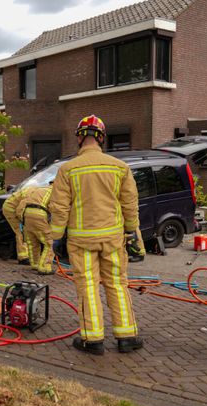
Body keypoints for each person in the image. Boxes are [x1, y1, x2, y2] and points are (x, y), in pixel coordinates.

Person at [48, 115, 142, 355]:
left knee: (88, 286)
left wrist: (56, 237)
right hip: (113, 239)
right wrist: (132, 231)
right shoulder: (120, 167)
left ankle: (93, 339)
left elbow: (59, 207)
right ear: (101, 138)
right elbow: (130, 204)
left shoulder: (68, 169)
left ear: (80, 138)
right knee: (118, 285)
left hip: (82, 241)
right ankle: (127, 336)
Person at [17, 186, 54, 274]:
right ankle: (44, 268)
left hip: (27, 214)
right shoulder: (56, 192)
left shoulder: (39, 189)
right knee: (49, 243)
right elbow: (55, 208)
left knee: (32, 242)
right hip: (39, 214)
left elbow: (22, 204)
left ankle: (35, 264)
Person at [2, 187, 34, 265]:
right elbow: (20, 209)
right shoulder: (32, 194)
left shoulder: (38, 191)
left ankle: (16, 253)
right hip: (11, 209)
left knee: (23, 231)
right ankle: (23, 258)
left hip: (15, 207)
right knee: (21, 232)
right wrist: (22, 221)